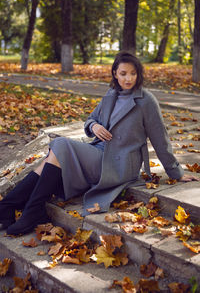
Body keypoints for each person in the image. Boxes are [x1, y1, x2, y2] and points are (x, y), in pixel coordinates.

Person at [0, 51, 198, 236]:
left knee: (60, 145)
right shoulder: (111, 94)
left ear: (138, 75)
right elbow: (90, 120)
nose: (128, 78)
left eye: (133, 73)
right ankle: (9, 207)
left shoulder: (146, 100)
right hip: (99, 152)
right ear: (115, 74)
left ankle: (27, 209)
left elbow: (160, 139)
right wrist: (94, 127)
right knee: (53, 155)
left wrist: (176, 172)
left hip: (119, 164)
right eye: (123, 73)